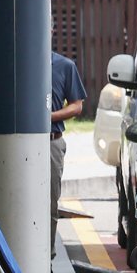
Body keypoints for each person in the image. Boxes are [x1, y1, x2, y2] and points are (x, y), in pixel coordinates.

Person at [50, 51, 86, 253]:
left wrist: (47, 117)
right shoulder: (17, 61)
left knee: (50, 202)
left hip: (51, 141)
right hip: (18, 142)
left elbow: (76, 106)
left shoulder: (64, 65)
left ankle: (48, 255)